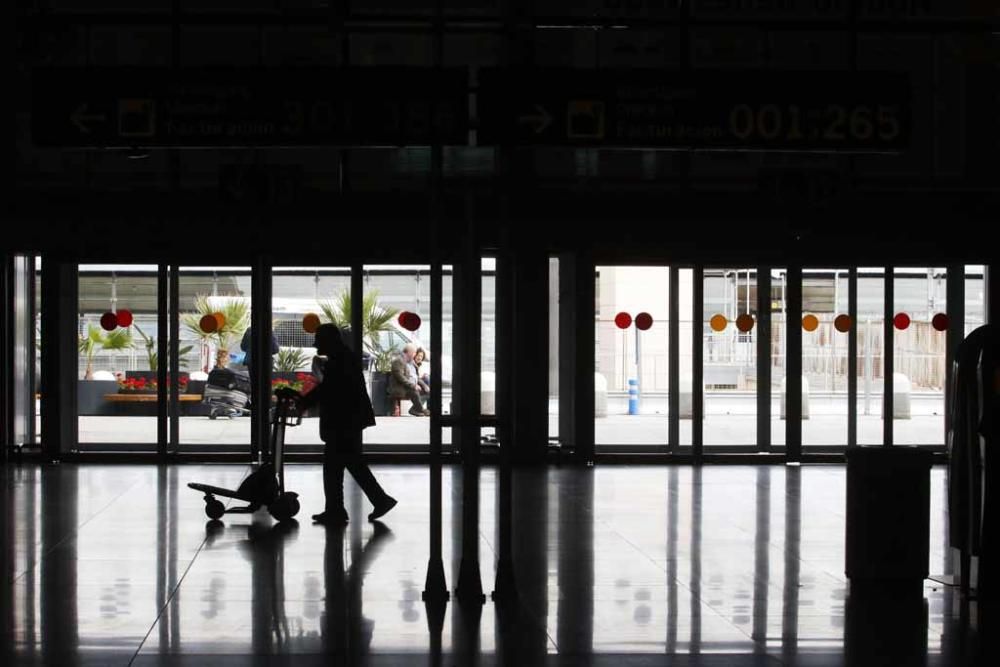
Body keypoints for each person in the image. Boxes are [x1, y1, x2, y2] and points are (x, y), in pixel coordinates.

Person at [296, 323, 397, 525]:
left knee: (336, 466)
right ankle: (369, 502)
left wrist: (304, 402)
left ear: (328, 341)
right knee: (349, 463)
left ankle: (343, 508)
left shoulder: (339, 361)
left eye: (319, 340)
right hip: (349, 420)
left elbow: (328, 390)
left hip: (343, 421)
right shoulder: (343, 357)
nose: (315, 344)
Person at [389, 343, 430, 416]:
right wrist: (413, 385)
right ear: (410, 352)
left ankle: (415, 409)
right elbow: (400, 377)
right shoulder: (398, 361)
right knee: (413, 390)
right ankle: (421, 410)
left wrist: (424, 385)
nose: (415, 355)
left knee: (428, 391)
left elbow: (415, 377)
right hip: (400, 388)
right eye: (414, 353)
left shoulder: (411, 363)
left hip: (408, 387)